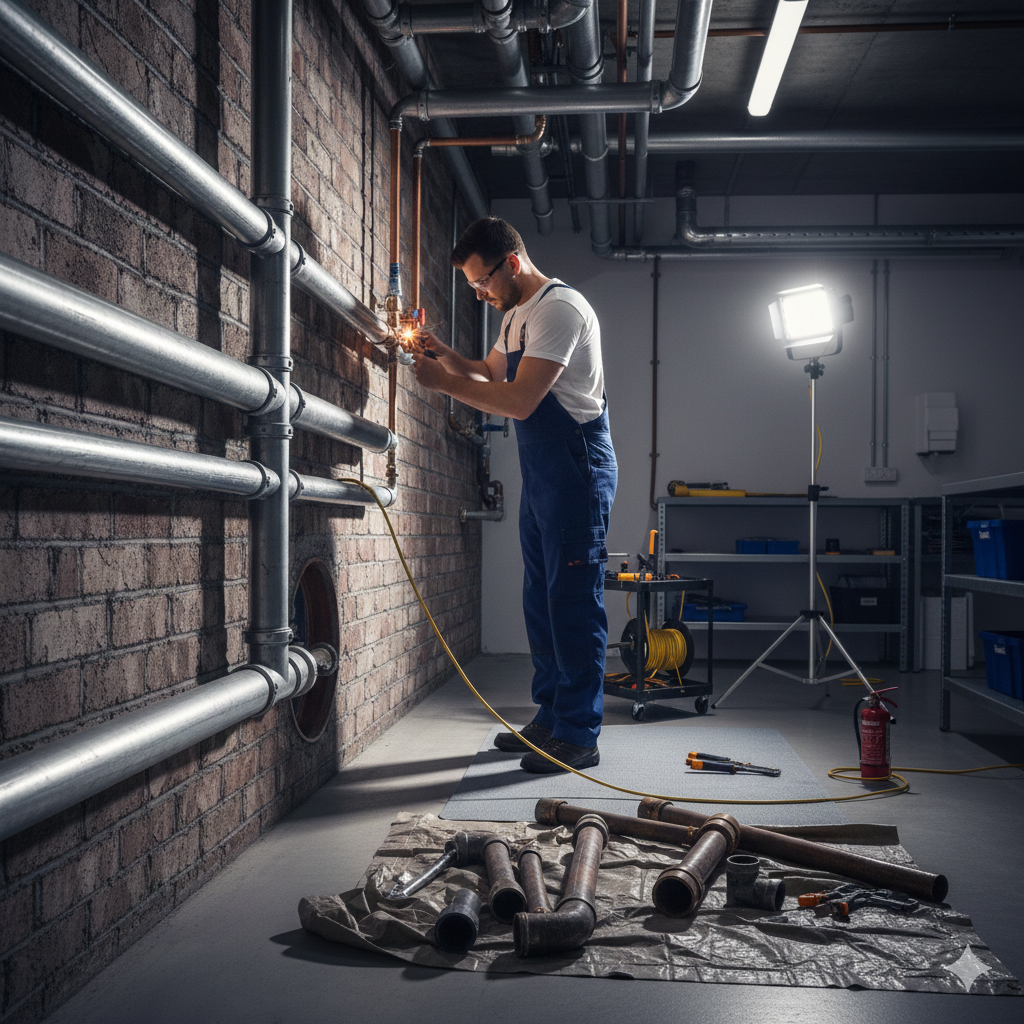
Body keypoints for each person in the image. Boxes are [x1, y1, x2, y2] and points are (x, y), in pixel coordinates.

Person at [408, 217, 617, 773]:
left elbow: (520, 401)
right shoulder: (517, 315)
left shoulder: (559, 309)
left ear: (513, 264)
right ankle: (550, 719)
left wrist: (443, 384)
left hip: (577, 467)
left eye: (482, 283)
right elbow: (485, 374)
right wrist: (446, 354)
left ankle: (578, 735)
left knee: (573, 602)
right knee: (542, 602)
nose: (479, 293)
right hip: (544, 475)